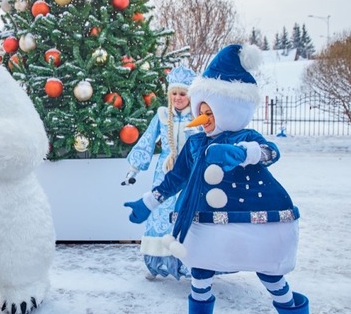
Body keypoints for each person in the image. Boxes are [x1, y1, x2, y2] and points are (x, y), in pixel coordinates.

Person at [124, 44, 309, 314]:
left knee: (270, 273)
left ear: (230, 109)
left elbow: (271, 152)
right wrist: (149, 202)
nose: (204, 118)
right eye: (202, 111)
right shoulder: (196, 142)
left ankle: (290, 308)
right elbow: (176, 178)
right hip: (204, 224)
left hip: (254, 222)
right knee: (200, 274)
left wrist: (244, 153)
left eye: (210, 113)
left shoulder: (245, 136)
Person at [122, 65, 199, 280]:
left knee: (187, 215)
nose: (177, 98)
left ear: (190, 96)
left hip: (192, 175)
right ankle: (156, 264)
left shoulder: (198, 118)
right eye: (173, 93)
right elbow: (147, 140)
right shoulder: (163, 115)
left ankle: (190, 265)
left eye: (182, 94)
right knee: (160, 215)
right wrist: (134, 167)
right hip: (166, 174)